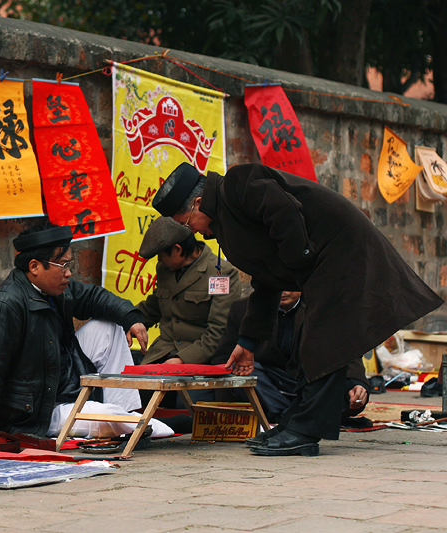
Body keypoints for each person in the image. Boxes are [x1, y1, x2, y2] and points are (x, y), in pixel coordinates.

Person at [152, 162, 443, 456]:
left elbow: (282, 209)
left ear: (199, 203)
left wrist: (298, 260)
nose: (192, 230)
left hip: (341, 252)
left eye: (187, 221)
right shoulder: (226, 225)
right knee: (314, 343)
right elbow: (265, 280)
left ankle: (305, 431)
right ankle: (296, 423)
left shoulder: (239, 183)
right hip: (317, 266)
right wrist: (248, 342)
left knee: (324, 341)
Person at [0, 222, 174, 442]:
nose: (69, 273)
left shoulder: (56, 289)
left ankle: (127, 415)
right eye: (62, 265)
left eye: (69, 265)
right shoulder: (5, 307)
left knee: (111, 326)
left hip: (65, 383)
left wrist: (131, 318)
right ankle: (132, 422)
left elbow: (94, 297)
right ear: (34, 267)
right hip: (40, 411)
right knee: (134, 425)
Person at [211, 292, 370, 425]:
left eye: (290, 285)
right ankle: (296, 416)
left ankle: (289, 415)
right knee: (241, 373)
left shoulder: (322, 308)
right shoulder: (242, 309)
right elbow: (224, 358)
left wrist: (358, 382)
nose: (283, 291)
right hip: (266, 383)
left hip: (308, 380)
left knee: (348, 390)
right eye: (277, 285)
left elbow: (346, 351)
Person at [136, 216, 242, 366]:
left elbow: (219, 331)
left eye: (161, 256)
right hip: (161, 355)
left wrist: (183, 360)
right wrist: (128, 320)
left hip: (202, 360)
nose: (160, 262)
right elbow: (152, 309)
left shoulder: (220, 274)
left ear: (178, 249)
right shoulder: (165, 269)